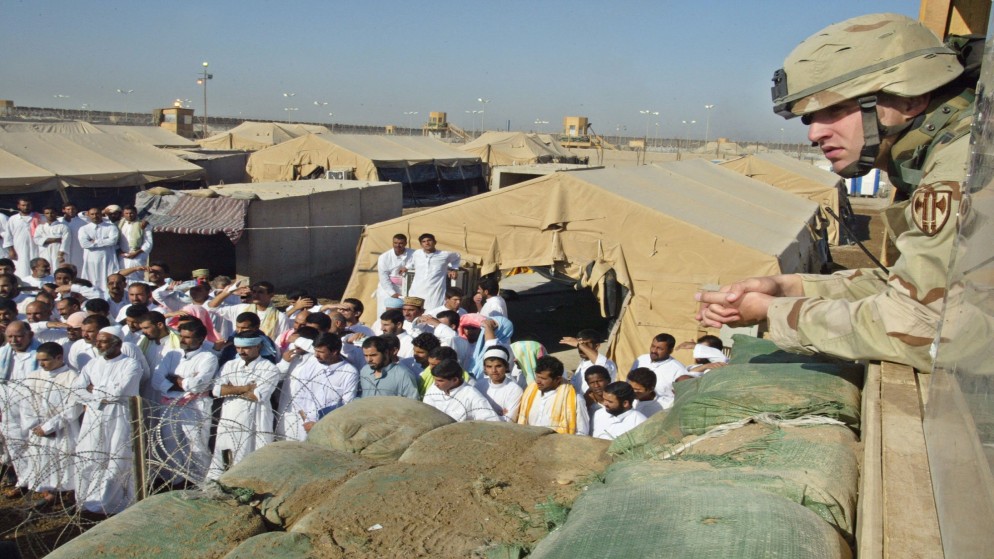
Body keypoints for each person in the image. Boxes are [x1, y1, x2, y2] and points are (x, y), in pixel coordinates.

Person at [697, 13, 974, 372]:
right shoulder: (945, 152)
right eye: (810, 118)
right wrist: (788, 287)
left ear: (911, 99)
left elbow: (920, 327)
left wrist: (772, 311)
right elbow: (912, 289)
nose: (814, 134)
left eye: (836, 110)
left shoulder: (962, 167)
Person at [74, 326, 143, 515]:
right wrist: (101, 392)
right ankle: (87, 502)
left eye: (103, 341)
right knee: (90, 458)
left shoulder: (131, 364)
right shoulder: (92, 364)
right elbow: (77, 389)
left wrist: (93, 390)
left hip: (119, 416)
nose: (98, 344)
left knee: (116, 460)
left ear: (117, 343)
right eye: (97, 340)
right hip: (94, 417)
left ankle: (109, 506)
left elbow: (117, 393)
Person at [207, 330, 281, 479]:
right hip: (229, 418)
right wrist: (245, 388)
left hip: (255, 420)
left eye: (246, 348)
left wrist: (230, 389)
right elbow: (216, 390)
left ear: (258, 347)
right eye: (238, 348)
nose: (241, 352)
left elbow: (257, 395)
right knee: (224, 457)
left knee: (252, 460)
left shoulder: (269, 368)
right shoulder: (230, 365)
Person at [154, 320, 217, 487]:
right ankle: (176, 480)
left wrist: (174, 380)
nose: (183, 340)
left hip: (195, 406)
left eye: (188, 338)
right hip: (170, 404)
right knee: (170, 442)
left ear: (200, 339)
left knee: (197, 445)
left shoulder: (208, 357)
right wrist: (182, 383)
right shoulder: (172, 355)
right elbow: (157, 379)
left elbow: (199, 385)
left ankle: (201, 482)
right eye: (181, 336)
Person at [21, 342, 81, 507]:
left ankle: (69, 495)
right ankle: (49, 494)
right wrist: (36, 426)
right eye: (39, 360)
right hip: (38, 429)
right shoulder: (33, 376)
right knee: (43, 463)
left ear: (59, 357)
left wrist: (50, 427)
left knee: (65, 462)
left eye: (45, 360)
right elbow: (26, 404)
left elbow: (74, 407)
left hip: (63, 429)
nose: (41, 364)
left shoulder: (72, 377)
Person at [278, 333, 358, 441]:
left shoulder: (349, 372)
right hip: (303, 424)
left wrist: (319, 424)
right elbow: (299, 394)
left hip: (329, 427)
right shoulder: (311, 364)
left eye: (321, 352)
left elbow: (347, 404)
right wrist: (306, 420)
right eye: (316, 351)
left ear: (334, 352)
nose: (316, 355)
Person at [0, 320, 40, 496]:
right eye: (10, 336)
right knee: (15, 443)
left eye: (18, 336)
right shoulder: (3, 354)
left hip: (34, 404)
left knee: (37, 444)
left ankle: (41, 482)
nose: (14, 340)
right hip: (8, 404)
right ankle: (24, 481)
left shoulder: (41, 353)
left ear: (29, 335)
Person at [518, 355, 589, 435]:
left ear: (557, 379)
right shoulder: (530, 393)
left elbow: (582, 432)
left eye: (543, 378)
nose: (538, 381)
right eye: (537, 377)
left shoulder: (575, 399)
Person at [208, 280, 289, 341]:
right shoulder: (241, 309)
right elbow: (211, 308)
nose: (256, 295)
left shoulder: (280, 317)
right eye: (254, 292)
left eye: (260, 292)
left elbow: (281, 342)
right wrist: (228, 292)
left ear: (271, 295)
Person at [423, 358, 500, 422]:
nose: (436, 383)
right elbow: (425, 411)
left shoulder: (472, 396)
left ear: (455, 380)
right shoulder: (434, 388)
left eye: (440, 381)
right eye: (435, 380)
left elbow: (491, 422)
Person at [403, 233, 460, 311]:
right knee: (415, 312)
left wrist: (454, 269)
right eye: (424, 241)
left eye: (429, 240)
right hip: (416, 290)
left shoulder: (444, 255)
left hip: (435, 292)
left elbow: (457, 257)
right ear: (421, 244)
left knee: (433, 313)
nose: (427, 243)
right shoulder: (417, 253)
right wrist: (406, 267)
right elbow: (412, 262)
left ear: (435, 242)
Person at [629, 333, 688, 408]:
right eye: (653, 346)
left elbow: (682, 397)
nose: (654, 351)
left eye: (660, 348)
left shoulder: (679, 370)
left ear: (670, 350)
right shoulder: (641, 359)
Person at [475, 346, 523, 422]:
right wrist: (499, 415)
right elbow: (473, 413)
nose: (494, 370)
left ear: (506, 367)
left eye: (498, 366)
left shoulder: (515, 390)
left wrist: (483, 414)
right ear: (485, 368)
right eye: (489, 366)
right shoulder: (478, 386)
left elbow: (509, 420)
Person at [561, 329, 617, 394]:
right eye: (579, 345)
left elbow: (600, 362)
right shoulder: (582, 364)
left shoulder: (607, 363)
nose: (580, 349)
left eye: (585, 344)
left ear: (597, 346)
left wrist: (579, 344)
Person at [78, 207, 120, 292]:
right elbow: (84, 244)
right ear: (88, 216)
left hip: (107, 259)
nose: (95, 216)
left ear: (101, 214)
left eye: (97, 214)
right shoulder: (83, 229)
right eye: (92, 214)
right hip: (91, 260)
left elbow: (113, 241)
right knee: (91, 280)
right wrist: (105, 241)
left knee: (107, 279)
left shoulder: (111, 227)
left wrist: (94, 242)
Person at [376, 233, 414, 318]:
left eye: (401, 243)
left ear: (405, 243)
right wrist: (392, 292)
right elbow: (383, 277)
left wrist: (407, 267)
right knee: (385, 312)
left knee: (406, 312)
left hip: (407, 286)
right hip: (388, 287)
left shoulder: (413, 253)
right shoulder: (384, 257)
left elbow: (421, 262)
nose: (398, 245)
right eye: (395, 243)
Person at [4, 197, 42, 281]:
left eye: (28, 205)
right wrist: (11, 251)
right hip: (19, 250)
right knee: (21, 270)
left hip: (36, 249)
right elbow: (8, 237)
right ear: (18, 206)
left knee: (37, 268)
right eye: (23, 205)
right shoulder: (13, 219)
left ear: (31, 205)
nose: (26, 207)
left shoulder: (39, 217)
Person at [117, 205, 152, 280]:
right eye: (126, 213)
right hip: (123, 255)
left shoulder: (143, 224)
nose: (129, 215)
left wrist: (137, 253)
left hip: (137, 255)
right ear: (123, 214)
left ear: (136, 213)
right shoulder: (120, 224)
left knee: (137, 276)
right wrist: (120, 251)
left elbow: (148, 242)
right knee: (122, 277)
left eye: (131, 213)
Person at [33, 207, 69, 272]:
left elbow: (66, 241)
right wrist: (54, 240)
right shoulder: (40, 227)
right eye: (47, 213)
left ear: (56, 213)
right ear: (44, 214)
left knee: (58, 269)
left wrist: (61, 254)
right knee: (45, 268)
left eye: (52, 213)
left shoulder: (63, 227)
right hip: (44, 251)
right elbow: (36, 240)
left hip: (57, 252)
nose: (49, 215)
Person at [59, 202, 87, 273]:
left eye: (73, 209)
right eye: (68, 209)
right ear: (63, 210)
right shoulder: (59, 222)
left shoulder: (82, 223)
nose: (71, 211)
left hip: (77, 249)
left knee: (78, 268)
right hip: (61, 251)